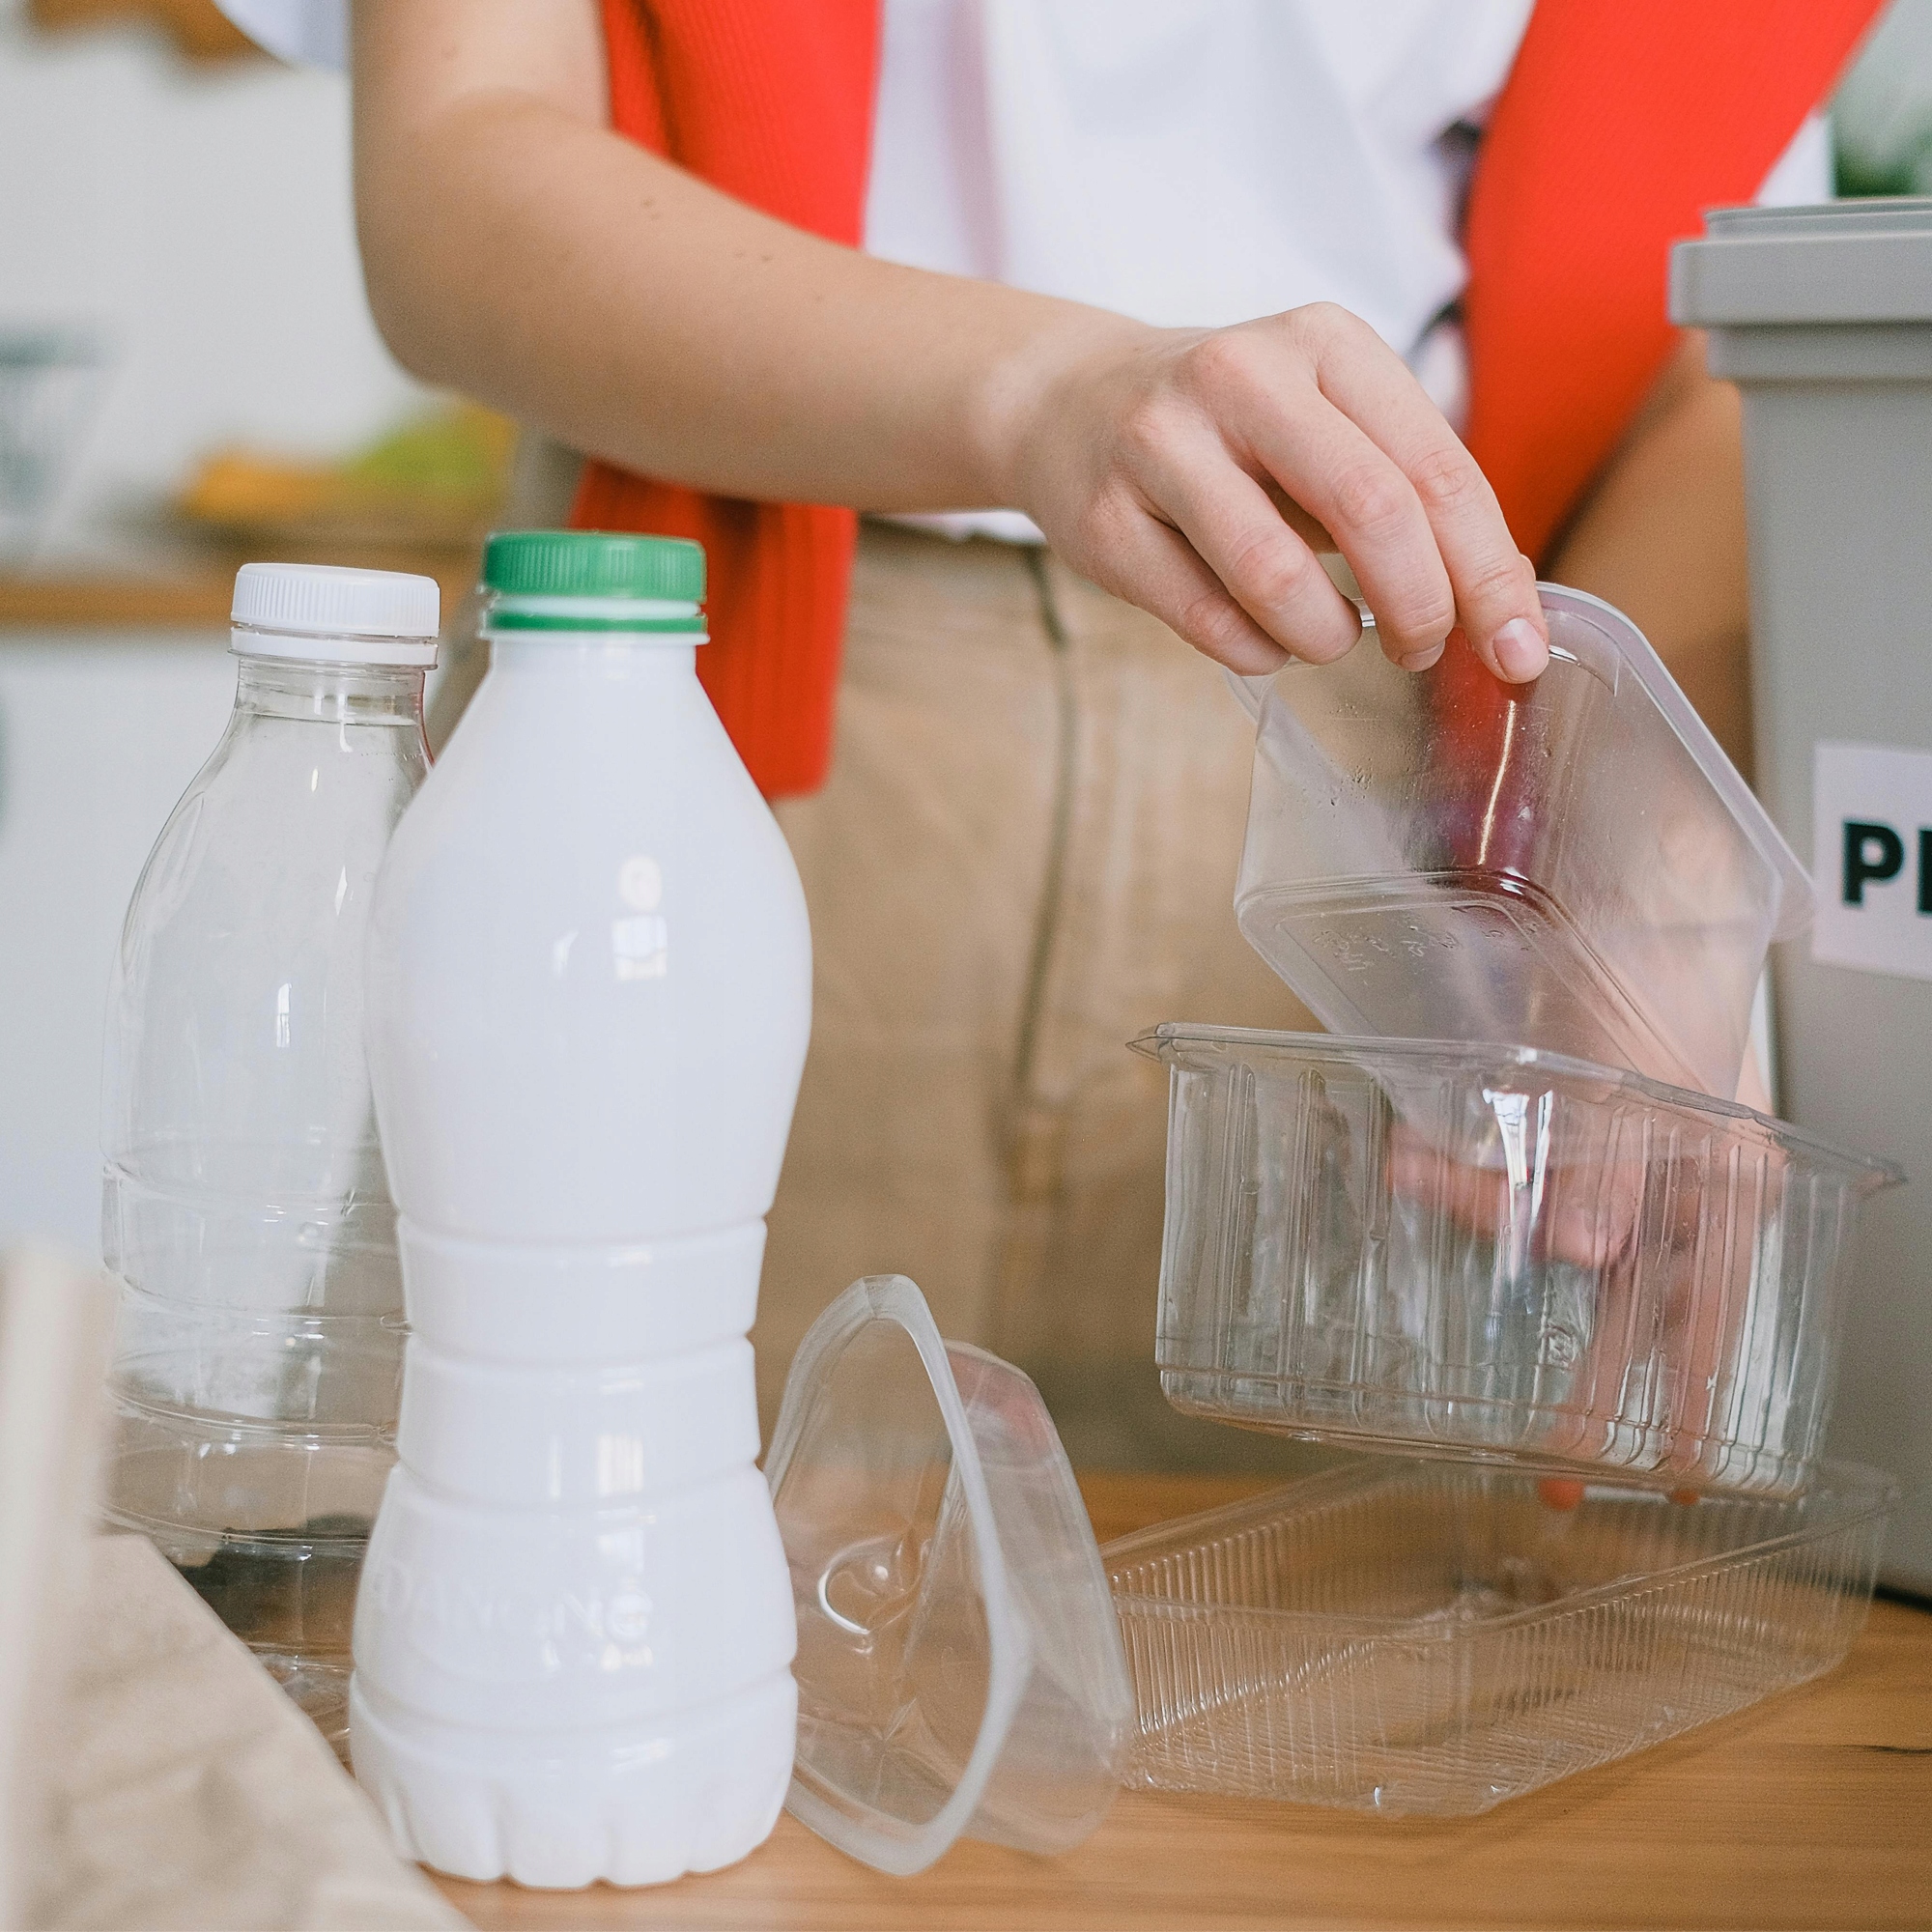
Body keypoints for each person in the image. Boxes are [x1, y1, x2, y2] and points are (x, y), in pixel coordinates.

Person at [222, 0, 1879, 1461]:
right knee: (528, 1578)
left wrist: (1635, 858)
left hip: (1391, 804)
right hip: (740, 715)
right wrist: (1042, 390)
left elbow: (1695, 354)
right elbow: (460, 159)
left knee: (1324, 1659)